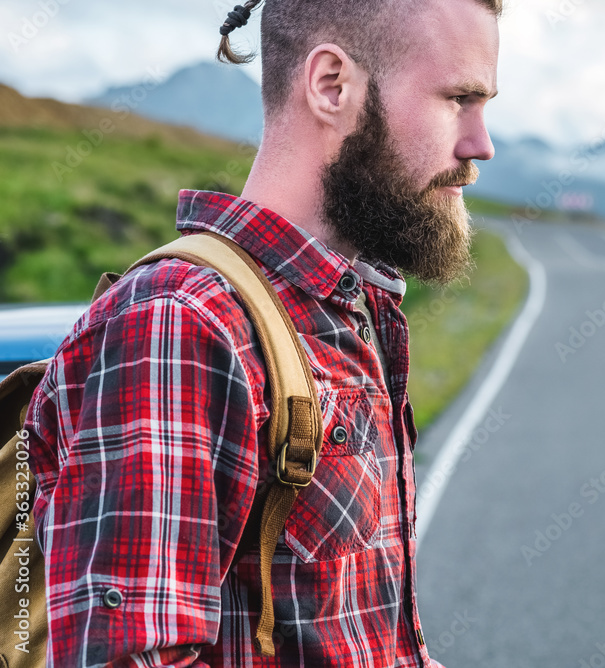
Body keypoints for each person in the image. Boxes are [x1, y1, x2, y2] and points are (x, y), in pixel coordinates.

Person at [24, 0, 500, 664]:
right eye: (459, 100)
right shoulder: (181, 325)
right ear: (331, 85)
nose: (481, 144)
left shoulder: (338, 310)